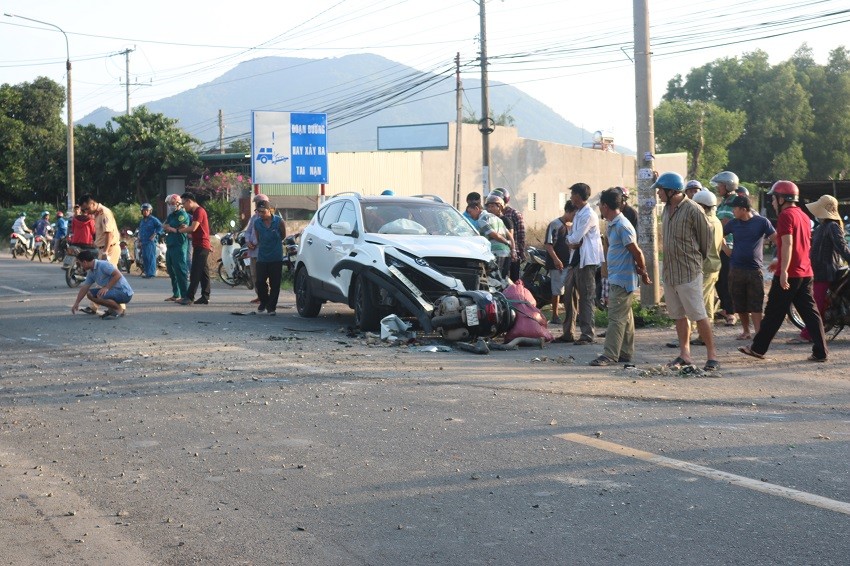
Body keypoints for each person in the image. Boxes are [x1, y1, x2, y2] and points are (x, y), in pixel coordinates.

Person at [739, 181, 828, 362]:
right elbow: (799, 244)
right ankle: (821, 352)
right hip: (805, 272)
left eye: (774, 198)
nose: (772, 202)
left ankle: (757, 348)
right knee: (811, 314)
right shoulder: (802, 215)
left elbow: (788, 243)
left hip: (791, 273)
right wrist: (779, 261)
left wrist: (784, 270)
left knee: (773, 312)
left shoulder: (786, 215)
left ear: (781, 199)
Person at [653, 172, 720, 371]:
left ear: (672, 191)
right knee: (678, 315)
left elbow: (705, 240)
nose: (658, 194)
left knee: (699, 314)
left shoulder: (693, 210)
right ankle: (685, 354)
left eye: (660, 190)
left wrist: (695, 260)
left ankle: (712, 356)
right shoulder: (666, 210)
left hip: (689, 272)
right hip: (671, 273)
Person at [589, 188, 652, 366]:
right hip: (618, 277)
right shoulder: (613, 224)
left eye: (600, 205)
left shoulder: (622, 225)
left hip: (623, 280)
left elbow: (637, 252)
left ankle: (610, 354)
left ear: (606, 206)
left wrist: (644, 271)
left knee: (615, 318)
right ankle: (625, 352)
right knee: (626, 317)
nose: (599, 208)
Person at [791, 194, 850, 344]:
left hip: (826, 271)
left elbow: (841, 247)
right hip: (818, 270)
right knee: (818, 302)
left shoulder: (832, 226)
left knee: (816, 304)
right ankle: (813, 332)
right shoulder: (823, 227)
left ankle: (807, 334)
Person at [721, 195, 776, 340]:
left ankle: (759, 334)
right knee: (739, 303)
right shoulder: (733, 224)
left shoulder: (761, 222)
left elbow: (776, 239)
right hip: (736, 270)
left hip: (754, 270)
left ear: (744, 209)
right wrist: (726, 249)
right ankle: (746, 331)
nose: (732, 211)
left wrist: (778, 259)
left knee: (756, 303)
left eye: (735, 208)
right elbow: (719, 235)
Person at [562, 182, 604, 345]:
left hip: (586, 261)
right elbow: (570, 238)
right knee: (568, 295)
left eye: (572, 194)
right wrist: (570, 241)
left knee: (586, 297)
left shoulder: (588, 214)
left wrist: (571, 241)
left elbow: (576, 237)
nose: (571, 197)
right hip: (575, 260)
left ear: (578, 196)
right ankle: (568, 332)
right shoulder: (578, 213)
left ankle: (587, 334)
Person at [690, 189, 724, 344]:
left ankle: (688, 333)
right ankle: (704, 336)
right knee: (707, 302)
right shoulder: (716, 220)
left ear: (702, 206)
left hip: (704, 266)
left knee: (696, 302)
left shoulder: (705, 223)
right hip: (714, 265)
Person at [70, 249, 134, 319]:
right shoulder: (91, 272)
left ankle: (118, 309)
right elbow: (85, 287)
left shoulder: (103, 265)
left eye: (80, 263)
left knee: (100, 295)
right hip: (113, 291)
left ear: (84, 262)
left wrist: (107, 287)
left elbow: (118, 275)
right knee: (90, 294)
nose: (81, 266)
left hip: (124, 293)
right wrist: (77, 303)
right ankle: (111, 310)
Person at [711, 171, 739, 326]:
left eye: (720, 185)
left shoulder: (734, 201)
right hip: (719, 245)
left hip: (729, 246)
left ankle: (731, 312)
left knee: (726, 280)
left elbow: (725, 223)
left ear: (728, 185)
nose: (718, 188)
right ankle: (725, 307)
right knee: (719, 279)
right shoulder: (723, 202)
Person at [248, 201, 287, 315]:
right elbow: (258, 238)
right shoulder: (257, 223)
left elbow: (283, 236)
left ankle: (271, 307)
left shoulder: (279, 221)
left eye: (262, 211)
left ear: (269, 210)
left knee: (275, 284)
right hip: (262, 257)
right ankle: (264, 301)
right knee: (260, 282)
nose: (260, 214)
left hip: (276, 257)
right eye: (258, 212)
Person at [544, 200, 578, 325]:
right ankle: (555, 315)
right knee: (557, 290)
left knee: (571, 290)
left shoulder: (572, 226)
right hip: (557, 263)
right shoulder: (555, 224)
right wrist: (556, 259)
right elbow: (548, 244)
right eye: (574, 214)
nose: (575, 217)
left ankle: (574, 314)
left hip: (569, 263)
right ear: (568, 211)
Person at [177, 192, 211, 305]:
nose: (183, 206)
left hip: (201, 245)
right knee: (203, 272)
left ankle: (189, 297)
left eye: (183, 204)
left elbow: (194, 228)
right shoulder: (197, 212)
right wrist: (187, 228)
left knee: (195, 272)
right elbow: (196, 229)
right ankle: (205, 297)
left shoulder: (199, 211)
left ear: (189, 201)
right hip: (200, 244)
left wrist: (180, 230)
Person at [467, 200, 512, 278]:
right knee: (504, 278)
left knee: (496, 278)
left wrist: (507, 242)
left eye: (470, 212)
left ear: (477, 208)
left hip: (496, 252)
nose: (470, 215)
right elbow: (510, 236)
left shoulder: (482, 220)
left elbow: (495, 235)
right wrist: (512, 248)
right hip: (506, 252)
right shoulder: (496, 217)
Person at [490, 188, 526, 281]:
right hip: (498, 251)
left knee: (513, 279)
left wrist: (520, 252)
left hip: (513, 251)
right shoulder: (492, 215)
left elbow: (521, 235)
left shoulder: (514, 214)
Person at [162, 194, 191, 302]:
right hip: (170, 245)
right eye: (169, 204)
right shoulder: (171, 215)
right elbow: (164, 226)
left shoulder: (182, 215)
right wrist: (171, 228)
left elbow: (179, 227)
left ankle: (184, 295)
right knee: (171, 270)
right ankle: (176, 294)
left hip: (179, 245)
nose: (171, 206)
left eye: (172, 204)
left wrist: (170, 228)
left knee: (180, 270)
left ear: (178, 204)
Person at [244, 193, 271, 304]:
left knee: (264, 276)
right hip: (253, 251)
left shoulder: (270, 218)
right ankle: (259, 295)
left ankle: (266, 295)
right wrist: (248, 242)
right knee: (254, 274)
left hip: (263, 251)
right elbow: (248, 231)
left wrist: (255, 242)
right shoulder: (254, 217)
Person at [79, 194, 120, 266]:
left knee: (109, 274)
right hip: (102, 249)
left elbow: (109, 233)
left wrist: (105, 252)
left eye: (87, 208)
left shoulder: (104, 213)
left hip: (109, 249)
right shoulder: (96, 214)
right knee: (103, 275)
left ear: (93, 204)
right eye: (84, 210)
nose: (86, 211)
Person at [137, 203, 163, 278]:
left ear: (150, 211)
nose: (145, 212)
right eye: (144, 210)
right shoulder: (142, 221)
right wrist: (139, 239)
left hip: (150, 241)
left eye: (147, 210)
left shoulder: (153, 219)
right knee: (145, 257)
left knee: (150, 257)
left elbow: (160, 227)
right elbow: (141, 230)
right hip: (143, 241)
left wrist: (155, 234)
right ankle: (147, 273)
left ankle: (151, 273)